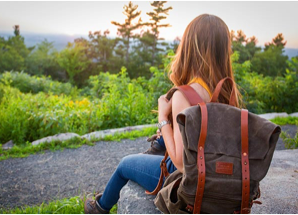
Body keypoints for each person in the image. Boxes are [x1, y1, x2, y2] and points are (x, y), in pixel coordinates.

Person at [84, 13, 242, 214]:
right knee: (159, 145)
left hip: (191, 181)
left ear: (188, 48)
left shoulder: (184, 95)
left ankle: (99, 208)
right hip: (217, 172)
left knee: (125, 164)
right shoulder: (227, 91)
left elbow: (181, 163)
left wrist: (162, 119)